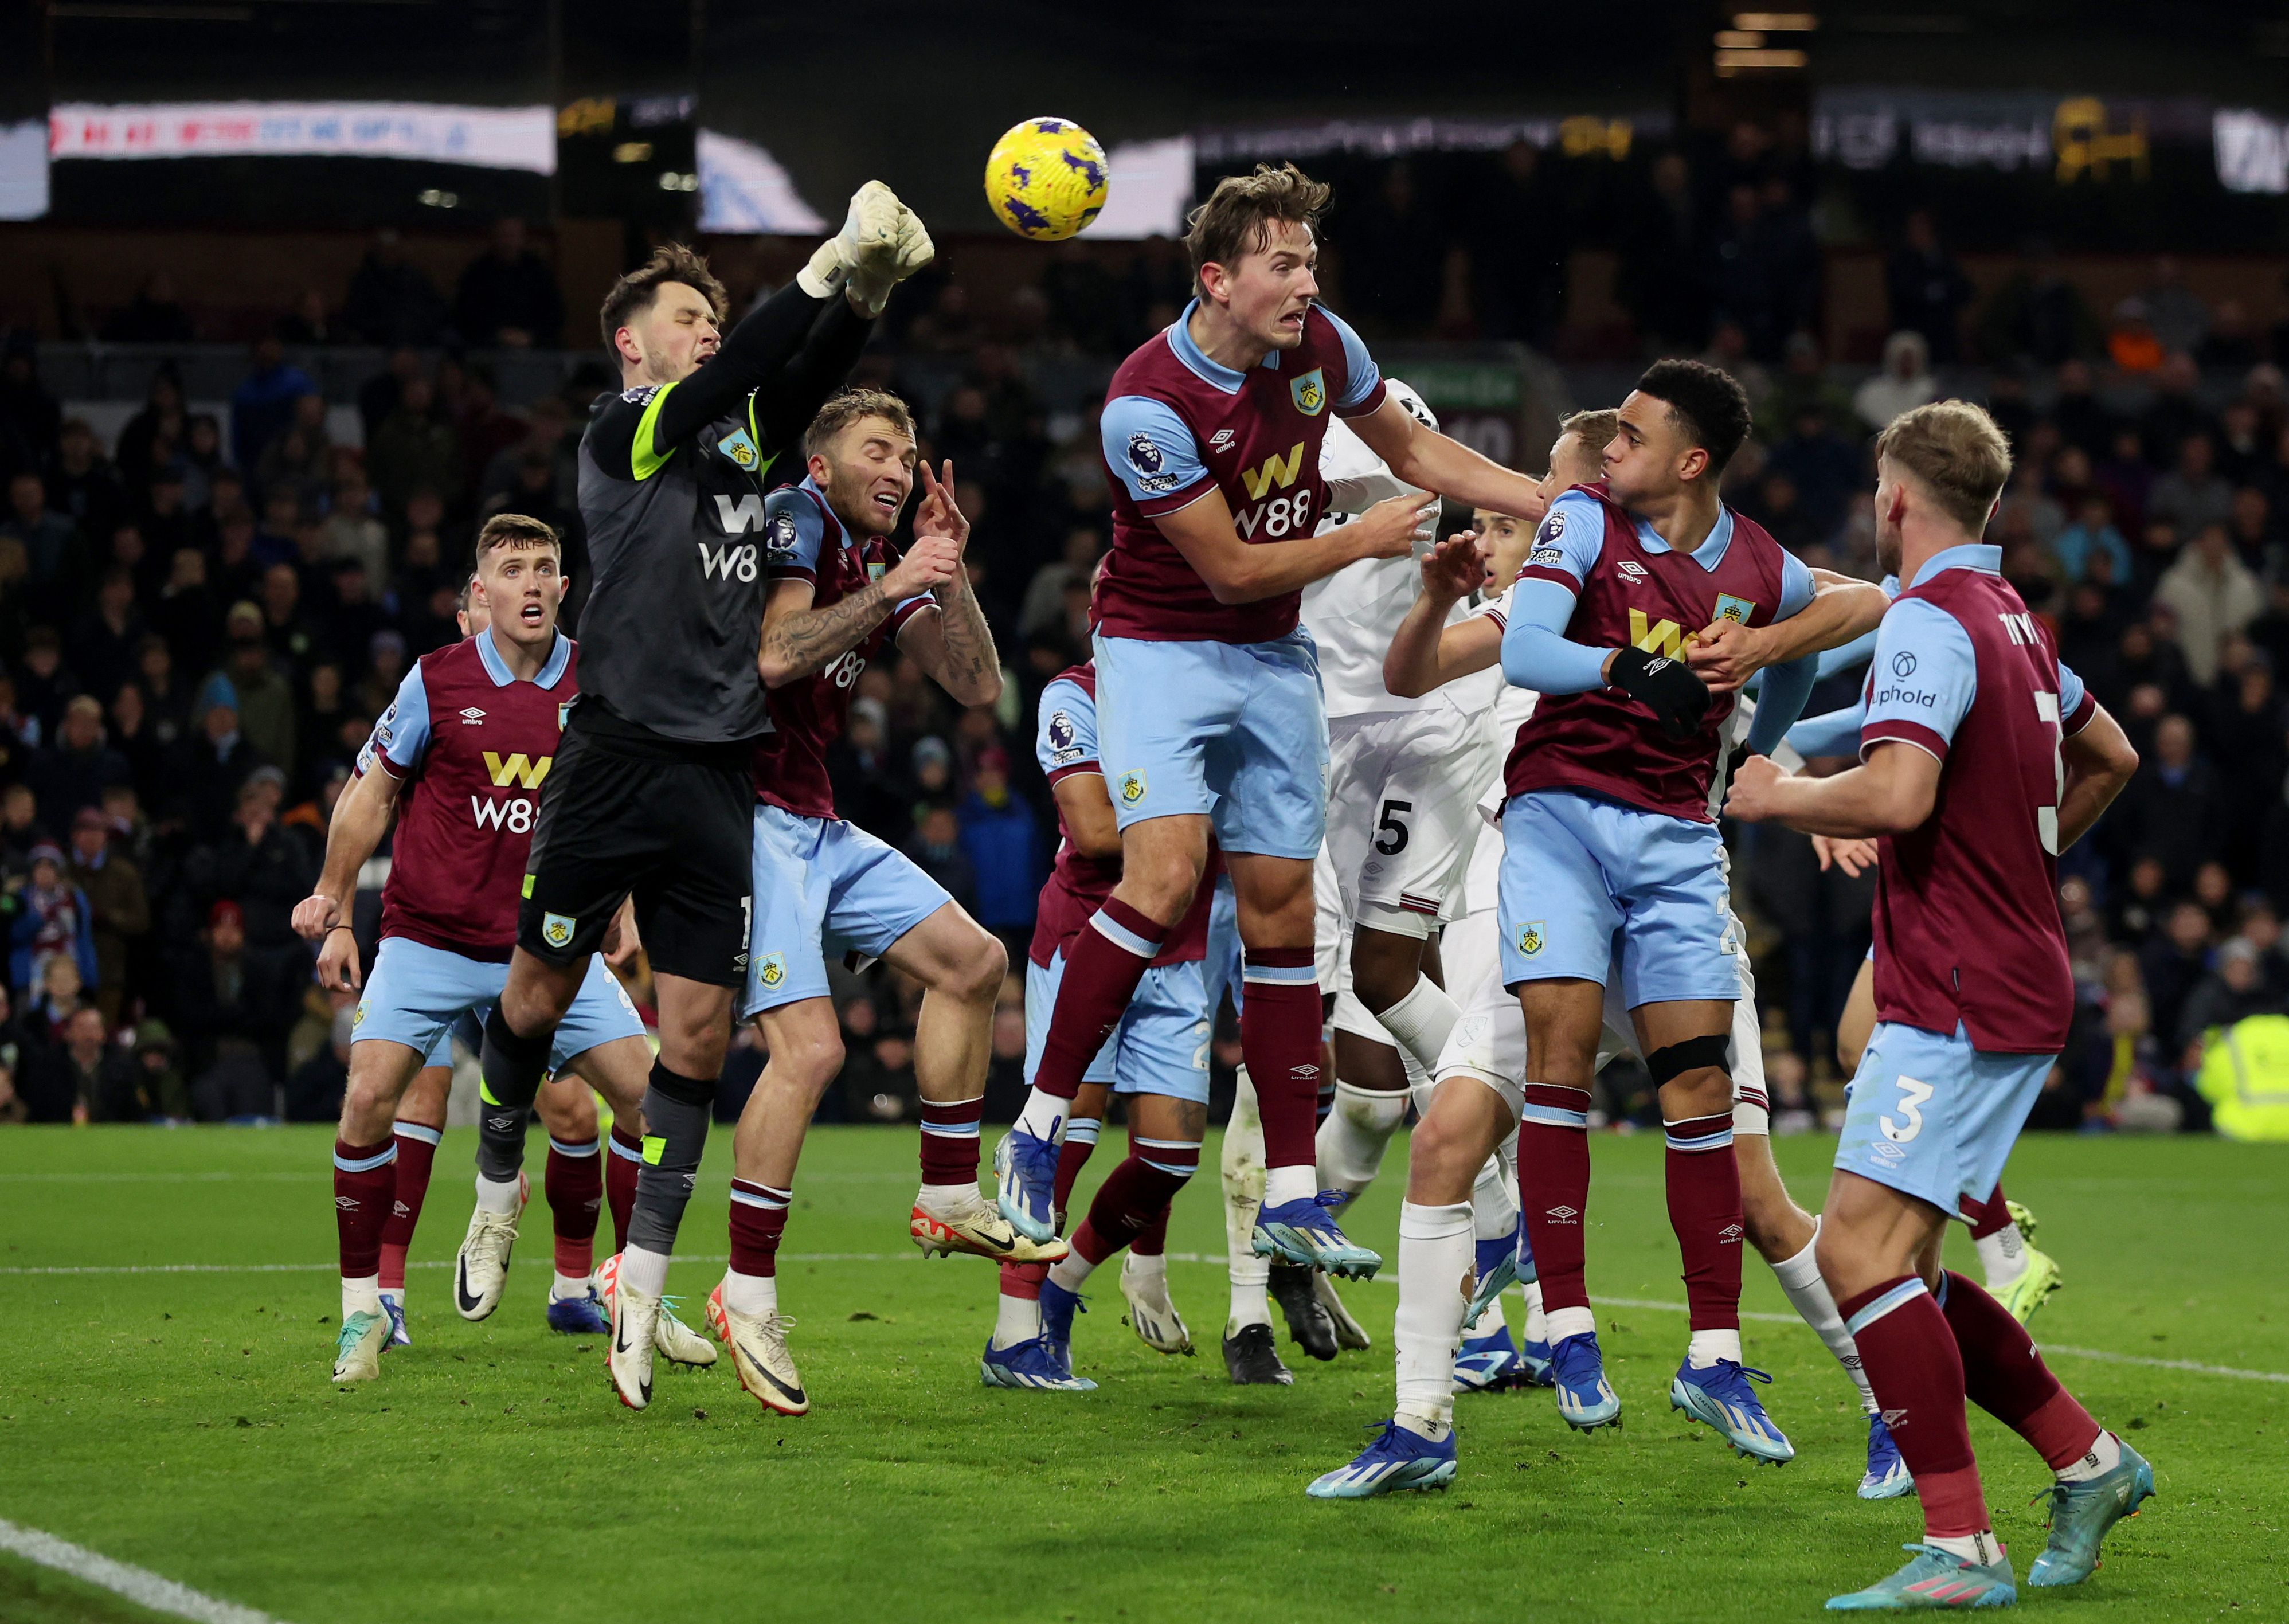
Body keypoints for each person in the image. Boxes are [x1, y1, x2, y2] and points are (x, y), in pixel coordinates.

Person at [1306, 404, 1890, 1498]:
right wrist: (1436, 594)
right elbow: (1413, 670)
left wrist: (1766, 724)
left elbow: (1857, 605)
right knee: (1446, 1141)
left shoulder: (1709, 583)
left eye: (1564, 486)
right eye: (1549, 494)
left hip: (1670, 886)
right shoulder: (1526, 602)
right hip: (1552, 891)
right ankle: (1421, 1419)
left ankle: (1884, 1404)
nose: (1548, 506)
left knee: (1755, 1195)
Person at [1000, 163, 1545, 1284]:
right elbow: (1236, 568)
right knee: (1157, 879)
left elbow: (1413, 452)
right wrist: (1363, 537)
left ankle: (1293, 1196)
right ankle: (1037, 1124)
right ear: (1217, 279)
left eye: (1311, 260)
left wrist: (1549, 500)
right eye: (1283, 264)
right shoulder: (1143, 405)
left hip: (1270, 654)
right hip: (1160, 648)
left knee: (1282, 913)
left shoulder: (1321, 347)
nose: (1307, 280)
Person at [475, 190, 934, 1416]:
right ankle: (496, 1176)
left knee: (692, 1042)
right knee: (532, 994)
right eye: (688, 316)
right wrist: (827, 261)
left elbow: (802, 371)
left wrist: (867, 295)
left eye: (710, 316)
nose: (706, 330)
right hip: (613, 758)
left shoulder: (741, 443)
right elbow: (749, 359)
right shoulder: (621, 433)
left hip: (719, 771)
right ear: (636, 342)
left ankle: (643, 1287)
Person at [1725, 399, 2149, 1607]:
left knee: (1856, 1252)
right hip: (1999, 966)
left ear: (1894, 498)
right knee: (1900, 1259)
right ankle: (2087, 1461)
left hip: (1961, 987)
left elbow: (1901, 794)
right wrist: (2024, 865)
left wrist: (1771, 798)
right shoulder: (2011, 618)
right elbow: (2106, 752)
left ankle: (1960, 1547)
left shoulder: (1922, 617)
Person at [687, 389, 1059, 1418]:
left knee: (977, 962)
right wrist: (899, 576)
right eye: (877, 451)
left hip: (814, 819)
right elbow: (773, 653)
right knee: (810, 1051)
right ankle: (745, 1292)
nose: (898, 469)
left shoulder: (871, 550)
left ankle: (946, 1191)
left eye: (908, 455)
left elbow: (976, 685)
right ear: (822, 460)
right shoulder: (794, 516)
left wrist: (947, 567)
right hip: (746, 815)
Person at [1483, 362, 1824, 1463]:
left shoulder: (1760, 565)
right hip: (1561, 818)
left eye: (1629, 433)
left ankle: (1713, 1356)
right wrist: (1631, 667)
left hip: (1677, 840)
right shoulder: (1581, 519)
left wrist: (1760, 729)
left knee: (1699, 1091)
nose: (1607, 445)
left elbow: (1833, 625)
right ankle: (1570, 1328)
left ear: (1689, 461)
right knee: (1562, 1052)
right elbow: (1526, 650)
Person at [296, 513, 662, 1385]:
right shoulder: (433, 682)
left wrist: (625, 903)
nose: (530, 583)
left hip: (547, 948)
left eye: (544, 568)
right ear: (480, 594)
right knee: (369, 1100)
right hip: (428, 939)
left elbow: (628, 801)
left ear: (565, 589)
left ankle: (629, 1283)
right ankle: (363, 1312)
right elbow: (369, 793)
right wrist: (337, 905)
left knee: (654, 1107)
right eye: (512, 569)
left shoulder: (599, 679)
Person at [1261, 381, 1515, 1378]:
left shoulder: (1552, 623)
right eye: (1482, 520)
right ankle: (1273, 1267)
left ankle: (1490, 1324)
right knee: (1387, 1105)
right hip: (1410, 905)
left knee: (1446, 1108)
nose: (1486, 537)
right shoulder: (1424, 622)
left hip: (1476, 901)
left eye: (1505, 521)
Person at [982, 646, 1223, 1392]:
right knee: (1065, 1137)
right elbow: (1090, 830)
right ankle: (1013, 1335)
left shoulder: (1210, 690)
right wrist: (1199, 824)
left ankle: (1066, 1280)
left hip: (1180, 948)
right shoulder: (1072, 695)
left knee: (1170, 1157)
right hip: (1086, 934)